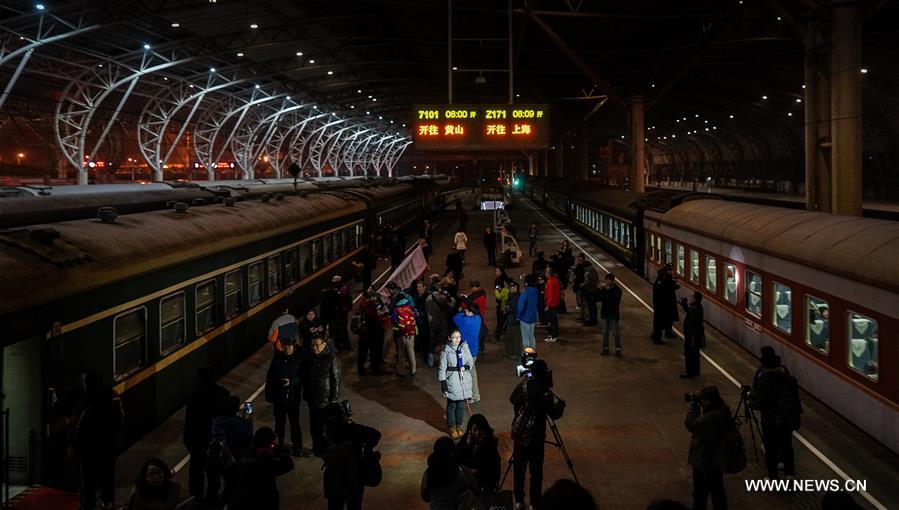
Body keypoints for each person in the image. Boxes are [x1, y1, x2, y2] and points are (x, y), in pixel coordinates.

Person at [71, 371, 124, 510]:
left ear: (87, 383)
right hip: (108, 444)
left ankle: (88, 504)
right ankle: (108, 502)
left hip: (88, 448)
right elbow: (120, 417)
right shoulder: (113, 395)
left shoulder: (84, 401)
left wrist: (74, 445)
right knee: (108, 477)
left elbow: (77, 426)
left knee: (88, 480)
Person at [322, 402, 382, 510]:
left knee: (334, 505)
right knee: (354, 505)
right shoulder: (351, 429)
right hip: (353, 475)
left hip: (333, 477)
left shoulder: (325, 432)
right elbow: (375, 434)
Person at [510, 360, 553, 509]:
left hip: (521, 435)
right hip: (537, 438)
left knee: (519, 470)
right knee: (536, 473)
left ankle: (519, 500)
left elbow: (512, 399)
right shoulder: (543, 390)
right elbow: (553, 412)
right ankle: (535, 503)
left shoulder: (524, 387)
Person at [183, 367, 229, 502]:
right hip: (214, 439)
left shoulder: (194, 395)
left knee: (196, 471)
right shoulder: (222, 393)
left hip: (196, 440)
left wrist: (188, 441)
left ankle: (195, 497)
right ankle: (212, 496)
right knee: (213, 471)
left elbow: (190, 420)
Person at [751, 347, 796, 481]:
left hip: (769, 418)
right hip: (786, 417)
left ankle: (773, 476)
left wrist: (751, 403)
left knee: (770, 446)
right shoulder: (784, 371)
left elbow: (758, 401)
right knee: (787, 444)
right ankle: (790, 473)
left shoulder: (763, 375)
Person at [685, 385, 730, 510]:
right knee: (718, 491)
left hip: (705, 460)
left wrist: (693, 406)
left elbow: (691, 425)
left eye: (702, 400)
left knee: (700, 494)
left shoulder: (711, 416)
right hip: (716, 459)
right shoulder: (722, 411)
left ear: (708, 401)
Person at [229, 427, 294, 510]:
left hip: (243, 499)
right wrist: (281, 451)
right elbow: (288, 465)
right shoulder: (268, 464)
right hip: (265, 500)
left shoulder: (244, 456)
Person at [265, 340, 309, 457]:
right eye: (285, 346)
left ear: (294, 347)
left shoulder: (299, 360)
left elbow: (303, 377)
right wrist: (269, 395)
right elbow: (270, 378)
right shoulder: (277, 360)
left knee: (295, 424)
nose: (287, 348)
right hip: (279, 399)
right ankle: (278, 446)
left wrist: (291, 382)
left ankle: (297, 447)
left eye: (289, 346)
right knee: (279, 424)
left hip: (293, 399)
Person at [209, 396, 254, 506]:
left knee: (214, 486)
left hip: (214, 458)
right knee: (233, 484)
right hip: (231, 459)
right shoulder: (234, 424)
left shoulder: (215, 420)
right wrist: (248, 419)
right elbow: (248, 437)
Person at [306, 337, 342, 456]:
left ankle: (328, 450)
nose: (314, 348)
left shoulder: (331, 359)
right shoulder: (310, 359)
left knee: (326, 428)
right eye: (312, 345)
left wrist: (334, 399)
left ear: (324, 344)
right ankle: (317, 449)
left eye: (317, 345)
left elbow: (336, 380)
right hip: (313, 400)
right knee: (314, 428)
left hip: (326, 401)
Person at [438, 330, 474, 438]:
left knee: (461, 405)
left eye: (459, 337)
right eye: (454, 337)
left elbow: (470, 361)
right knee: (452, 404)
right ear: (450, 338)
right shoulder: (446, 350)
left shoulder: (464, 347)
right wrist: (443, 382)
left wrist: (466, 367)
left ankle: (459, 425)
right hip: (452, 380)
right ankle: (452, 427)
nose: (457, 339)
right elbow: (442, 367)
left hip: (463, 380)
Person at [454, 414, 501, 492]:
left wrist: (478, 472)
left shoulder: (490, 443)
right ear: (470, 430)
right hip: (468, 484)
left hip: (486, 483)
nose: (477, 433)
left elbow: (494, 465)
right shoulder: (466, 440)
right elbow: (457, 458)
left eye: (480, 429)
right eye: (475, 430)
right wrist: (467, 445)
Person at [421, 437, 466, 509]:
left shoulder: (428, 473)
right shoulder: (455, 471)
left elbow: (425, 497)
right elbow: (462, 489)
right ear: (450, 453)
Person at [453, 304, 482, 403]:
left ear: (470, 312)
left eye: (466, 311)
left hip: (466, 352)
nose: (464, 312)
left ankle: (472, 395)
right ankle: (474, 394)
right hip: (474, 350)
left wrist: (461, 311)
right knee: (472, 372)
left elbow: (455, 317)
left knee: (468, 374)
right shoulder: (478, 319)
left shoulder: (464, 321)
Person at [355, 291, 387, 375]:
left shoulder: (361, 306)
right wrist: (383, 318)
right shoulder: (372, 307)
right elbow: (377, 321)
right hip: (371, 334)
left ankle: (360, 369)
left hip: (362, 334)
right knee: (374, 352)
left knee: (362, 353)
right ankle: (376, 369)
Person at [390, 292, 418, 377]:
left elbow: (393, 320)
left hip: (400, 334)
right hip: (411, 332)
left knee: (401, 353)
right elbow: (416, 316)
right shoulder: (411, 307)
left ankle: (401, 371)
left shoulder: (396, 309)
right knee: (411, 351)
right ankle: (413, 370)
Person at [651, 264, 680, 344]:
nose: (672, 272)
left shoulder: (662, 278)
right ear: (667, 271)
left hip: (663, 304)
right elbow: (666, 290)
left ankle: (664, 333)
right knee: (660, 322)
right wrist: (674, 286)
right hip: (663, 305)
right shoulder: (664, 279)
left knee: (664, 321)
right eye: (671, 270)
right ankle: (657, 338)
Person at [426, 284, 453, 368]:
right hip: (442, 324)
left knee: (432, 343)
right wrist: (453, 301)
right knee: (444, 342)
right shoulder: (442, 298)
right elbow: (449, 308)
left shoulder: (428, 298)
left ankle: (430, 362)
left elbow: (427, 310)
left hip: (431, 324)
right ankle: (444, 362)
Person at [680, 291, 705, 378]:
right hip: (695, 336)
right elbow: (690, 312)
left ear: (695, 299)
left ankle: (690, 373)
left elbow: (691, 322)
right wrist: (684, 305)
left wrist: (687, 326)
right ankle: (695, 372)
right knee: (695, 354)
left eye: (692, 297)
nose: (690, 298)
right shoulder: (697, 307)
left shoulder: (695, 308)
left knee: (690, 354)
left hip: (692, 337)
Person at [597, 273, 623, 356]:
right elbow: (599, 298)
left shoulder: (617, 290)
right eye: (607, 280)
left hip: (614, 314)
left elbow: (615, 299)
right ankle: (605, 348)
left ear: (613, 281)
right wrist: (599, 290)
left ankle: (618, 349)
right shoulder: (604, 289)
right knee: (605, 332)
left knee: (615, 332)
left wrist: (609, 290)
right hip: (605, 313)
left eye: (610, 280)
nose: (608, 282)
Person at [517, 275, 539, 352]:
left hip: (525, 318)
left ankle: (528, 355)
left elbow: (520, 306)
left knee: (525, 338)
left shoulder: (526, 293)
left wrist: (518, 316)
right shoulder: (536, 291)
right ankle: (533, 354)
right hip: (532, 318)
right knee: (531, 336)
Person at [504, 281, 523, 358]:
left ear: (517, 288)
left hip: (515, 321)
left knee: (516, 339)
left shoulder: (518, 296)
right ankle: (509, 352)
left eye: (513, 287)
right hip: (510, 320)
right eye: (511, 287)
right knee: (509, 337)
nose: (512, 288)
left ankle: (517, 354)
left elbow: (514, 308)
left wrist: (507, 309)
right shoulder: (511, 295)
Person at [543, 267, 561, 342]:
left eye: (546, 272)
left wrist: (547, 305)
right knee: (554, 321)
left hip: (551, 305)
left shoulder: (550, 282)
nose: (545, 273)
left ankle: (553, 336)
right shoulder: (555, 280)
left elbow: (550, 295)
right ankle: (555, 336)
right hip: (555, 303)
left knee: (551, 321)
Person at [580, 259, 599, 326]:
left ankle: (590, 321)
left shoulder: (587, 273)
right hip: (595, 290)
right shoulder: (594, 270)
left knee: (590, 307)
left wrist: (581, 285)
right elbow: (597, 280)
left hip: (589, 291)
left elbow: (586, 283)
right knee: (594, 307)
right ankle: (595, 319)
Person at [494, 277, 510, 342]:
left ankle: (497, 338)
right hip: (508, 308)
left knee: (500, 323)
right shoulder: (509, 289)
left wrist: (496, 291)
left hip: (503, 308)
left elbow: (499, 297)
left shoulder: (505, 290)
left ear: (505, 283)